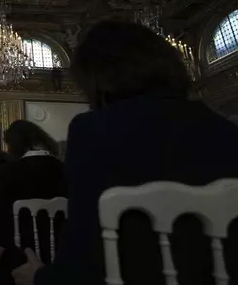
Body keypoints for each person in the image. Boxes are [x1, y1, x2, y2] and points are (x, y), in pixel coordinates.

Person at [14, 21, 238, 285]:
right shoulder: (225, 129)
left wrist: (40, 277)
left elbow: (84, 253)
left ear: (97, 77)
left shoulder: (92, 131)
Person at [0, 120, 67, 285]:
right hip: (61, 251)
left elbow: (3, 224)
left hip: (20, 254)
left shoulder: (9, 171)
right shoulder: (62, 169)